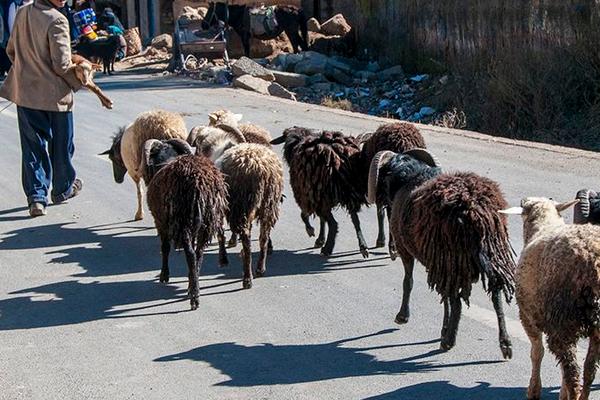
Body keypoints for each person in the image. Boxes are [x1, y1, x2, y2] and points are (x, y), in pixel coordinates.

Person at [0, 0, 83, 217]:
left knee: (32, 147)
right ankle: (63, 189)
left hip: (26, 93)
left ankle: (36, 198)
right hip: (55, 96)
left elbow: (11, 50)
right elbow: (62, 65)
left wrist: (26, 70)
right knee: (62, 146)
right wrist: (80, 79)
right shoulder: (57, 20)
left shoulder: (22, 13)